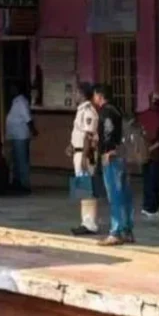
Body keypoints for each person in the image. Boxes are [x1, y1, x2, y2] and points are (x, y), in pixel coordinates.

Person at [92, 85, 133, 245]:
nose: (94, 98)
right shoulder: (118, 109)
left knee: (115, 195)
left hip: (112, 157)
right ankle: (127, 230)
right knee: (124, 194)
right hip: (122, 155)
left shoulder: (106, 111)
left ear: (100, 96)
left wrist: (108, 150)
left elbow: (108, 130)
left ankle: (115, 232)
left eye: (95, 95)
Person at [70, 83, 99, 236]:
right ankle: (85, 221)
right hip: (79, 152)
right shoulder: (80, 110)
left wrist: (84, 157)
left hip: (85, 154)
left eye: (76, 92)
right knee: (83, 189)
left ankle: (90, 223)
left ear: (82, 94)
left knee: (87, 189)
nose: (74, 95)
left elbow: (88, 136)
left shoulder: (88, 111)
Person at [5, 84, 35, 194]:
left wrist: (33, 130)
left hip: (21, 136)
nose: (11, 90)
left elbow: (28, 118)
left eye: (13, 88)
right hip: (15, 136)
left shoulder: (21, 101)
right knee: (16, 161)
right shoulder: (15, 101)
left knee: (22, 161)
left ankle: (24, 184)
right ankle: (17, 182)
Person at [138, 94, 159, 219]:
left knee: (147, 180)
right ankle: (152, 209)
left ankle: (146, 206)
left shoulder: (142, 116)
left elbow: (137, 134)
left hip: (144, 154)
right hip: (156, 155)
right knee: (154, 182)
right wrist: (152, 148)